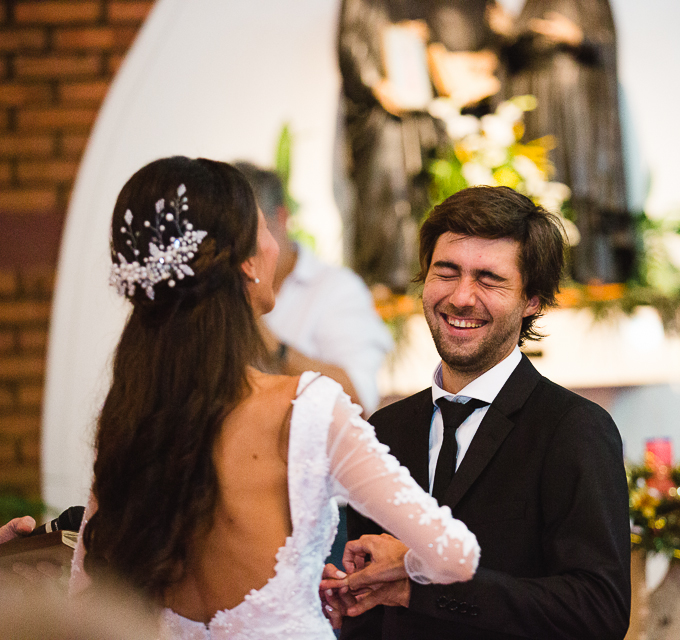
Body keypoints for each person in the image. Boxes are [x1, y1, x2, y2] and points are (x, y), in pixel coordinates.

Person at [68, 156, 479, 639]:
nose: (273, 244)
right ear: (246, 262)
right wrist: (396, 562)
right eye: (262, 229)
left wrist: (297, 582)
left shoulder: (130, 413)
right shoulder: (306, 408)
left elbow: (85, 595)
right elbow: (455, 556)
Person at [330, 186, 631, 639]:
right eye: (446, 272)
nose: (461, 297)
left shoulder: (574, 428)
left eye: (489, 279)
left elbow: (598, 611)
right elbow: (375, 609)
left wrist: (420, 580)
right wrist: (344, 603)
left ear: (532, 299)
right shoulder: (385, 429)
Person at [338, 0, 503, 292]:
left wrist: (425, 43)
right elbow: (349, 43)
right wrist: (375, 85)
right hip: (380, 114)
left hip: (419, 109)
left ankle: (421, 276)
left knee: (420, 191)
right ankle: (385, 280)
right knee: (385, 189)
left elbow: (440, 47)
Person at [233, 162, 393, 415]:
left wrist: (272, 345)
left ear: (281, 218)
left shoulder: (337, 289)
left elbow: (360, 399)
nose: (238, 246)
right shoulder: (214, 288)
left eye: (247, 231)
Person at [504, 0, 636, 284]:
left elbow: (606, 45)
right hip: (540, 98)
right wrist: (511, 32)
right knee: (544, 181)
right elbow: (514, 56)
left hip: (578, 100)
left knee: (583, 179)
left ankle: (595, 271)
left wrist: (576, 36)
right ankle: (549, 273)